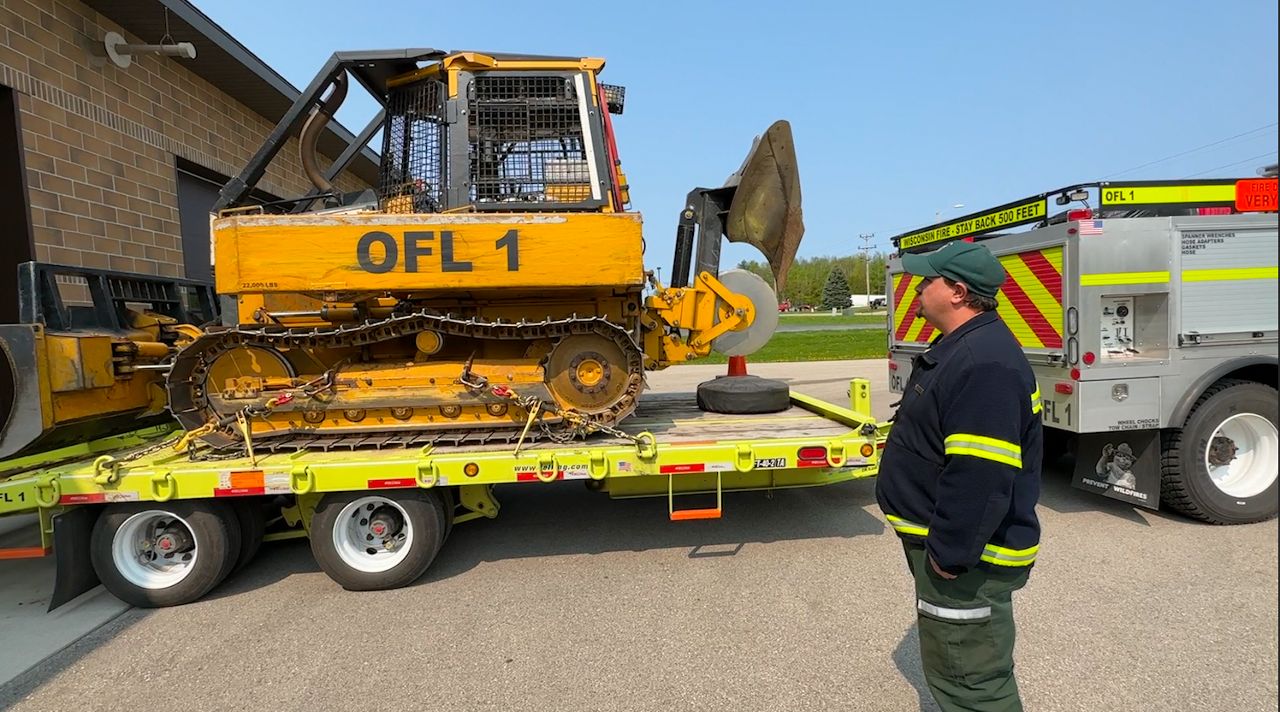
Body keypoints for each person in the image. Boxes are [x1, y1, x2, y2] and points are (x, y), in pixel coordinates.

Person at [876, 240, 1043, 712]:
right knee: (957, 671)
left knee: (971, 683)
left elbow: (981, 476)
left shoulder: (983, 364)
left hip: (965, 561)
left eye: (927, 281)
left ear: (957, 291)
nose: (918, 288)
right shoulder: (965, 348)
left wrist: (949, 554)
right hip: (950, 549)